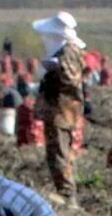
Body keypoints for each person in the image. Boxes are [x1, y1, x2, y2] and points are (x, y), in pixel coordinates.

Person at [34, 12, 87, 202]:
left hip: (63, 111)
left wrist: (55, 69)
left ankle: (66, 194)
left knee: (60, 152)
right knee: (57, 151)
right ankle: (64, 190)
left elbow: (71, 80)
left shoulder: (68, 52)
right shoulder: (67, 51)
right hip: (60, 110)